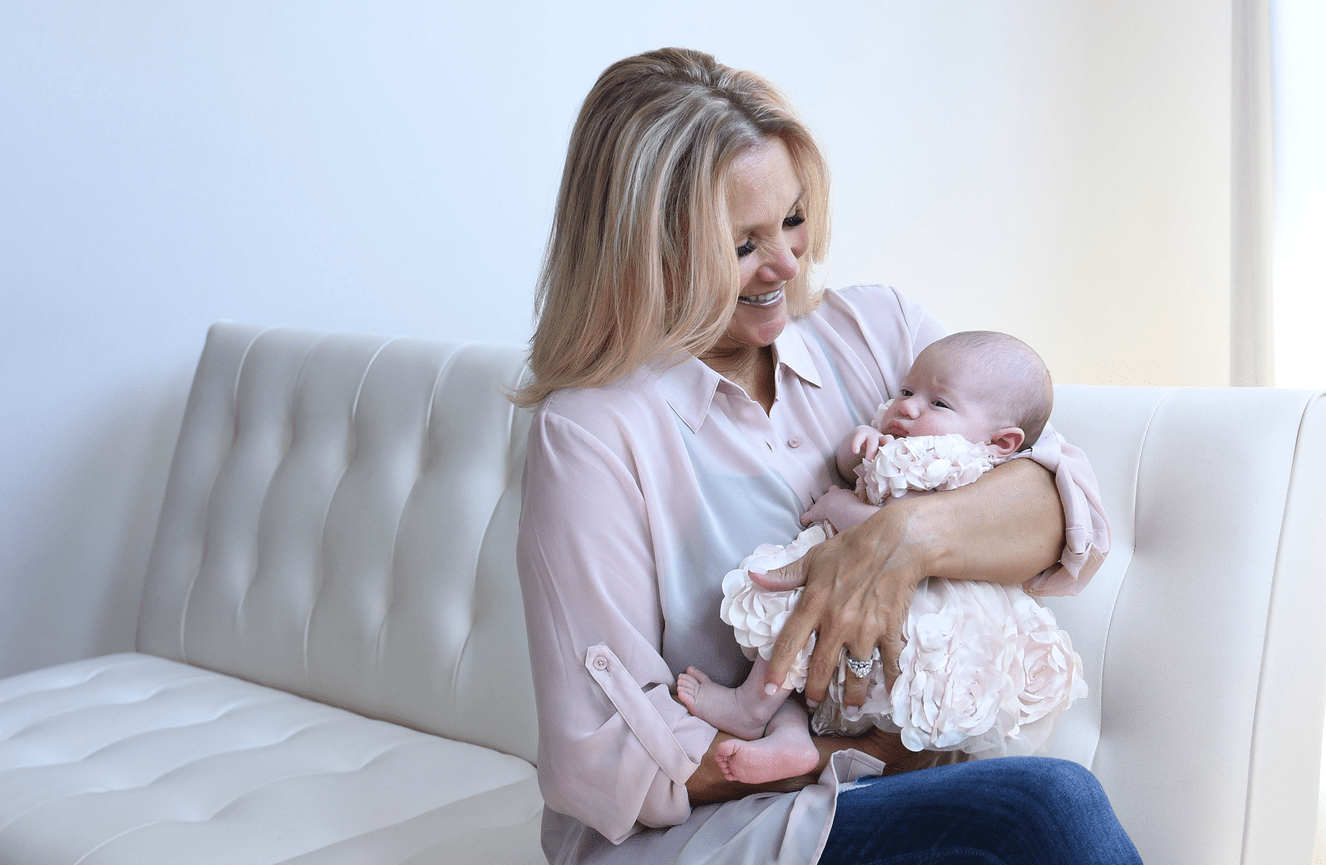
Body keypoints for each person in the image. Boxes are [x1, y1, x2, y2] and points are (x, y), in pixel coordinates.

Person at [515, 47, 1135, 865]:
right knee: (1044, 802)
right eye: (741, 245)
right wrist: (880, 752)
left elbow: (1061, 504)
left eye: (793, 219)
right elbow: (607, 761)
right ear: (649, 250)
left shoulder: (880, 335)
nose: (786, 264)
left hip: (895, 795)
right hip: (713, 833)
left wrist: (902, 538)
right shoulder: (594, 433)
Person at [677, 331, 1087, 786]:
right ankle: (791, 740)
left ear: (1003, 442)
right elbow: (865, 476)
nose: (908, 406)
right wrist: (858, 448)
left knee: (796, 611)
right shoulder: (921, 443)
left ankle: (753, 703)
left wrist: (836, 506)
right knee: (805, 647)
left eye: (940, 404)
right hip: (895, 633)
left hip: (913, 617)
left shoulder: (954, 463)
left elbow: (892, 530)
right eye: (907, 392)